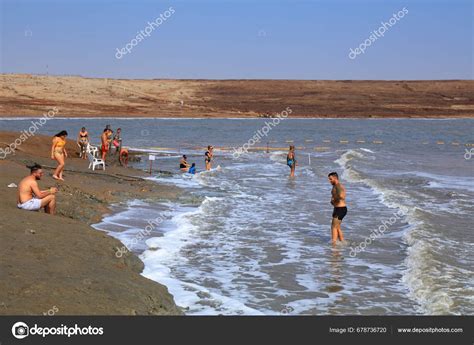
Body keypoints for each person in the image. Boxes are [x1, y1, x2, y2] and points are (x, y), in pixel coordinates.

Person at [328, 172, 347, 245]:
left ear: (335, 178)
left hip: (340, 209)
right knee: (337, 227)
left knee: (333, 227)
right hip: (338, 209)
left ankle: (334, 245)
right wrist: (333, 201)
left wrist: (334, 200)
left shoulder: (338, 186)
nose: (329, 181)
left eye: (330, 179)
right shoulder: (335, 186)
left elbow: (342, 196)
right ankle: (342, 242)